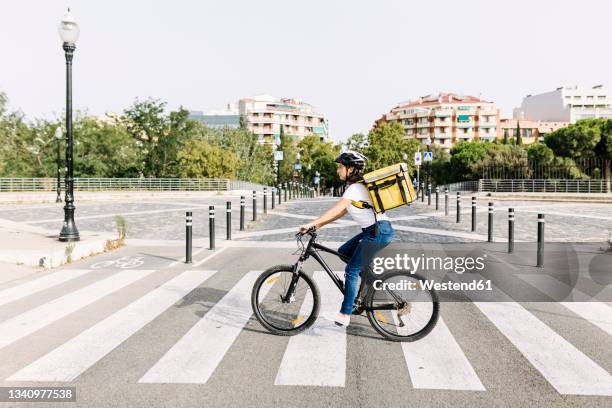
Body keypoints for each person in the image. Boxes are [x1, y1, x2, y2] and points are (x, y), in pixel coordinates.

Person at [299, 151, 395, 327]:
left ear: (350, 169)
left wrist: (311, 223)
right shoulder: (357, 187)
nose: (338, 170)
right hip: (374, 231)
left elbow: (336, 209)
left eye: (340, 167)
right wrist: (317, 226)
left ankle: (344, 314)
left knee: (351, 270)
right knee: (344, 252)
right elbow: (341, 212)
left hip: (377, 232)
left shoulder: (355, 188)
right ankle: (366, 287)